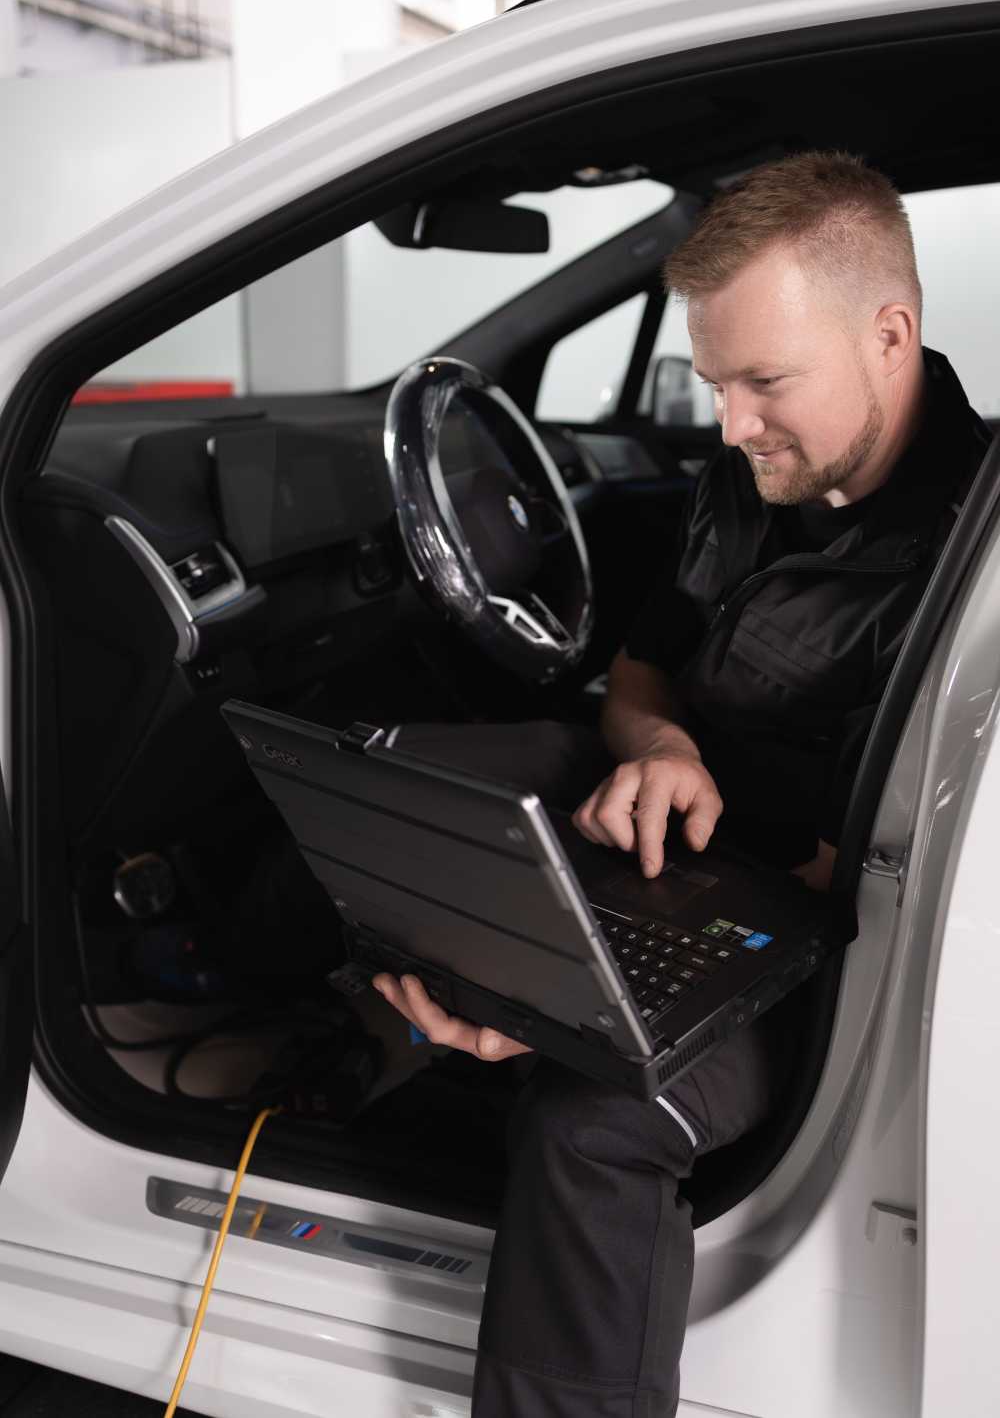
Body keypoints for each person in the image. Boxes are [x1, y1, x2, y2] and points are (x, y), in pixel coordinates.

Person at [372, 151, 991, 1416]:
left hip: (821, 931)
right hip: (674, 831)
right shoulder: (744, 482)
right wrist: (663, 749)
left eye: (764, 382)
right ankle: (357, 1047)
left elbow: (877, 871)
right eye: (714, 385)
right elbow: (640, 674)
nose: (731, 425)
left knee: (592, 1124)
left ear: (888, 336)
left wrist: (570, 998)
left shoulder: (970, 549)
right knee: (396, 791)